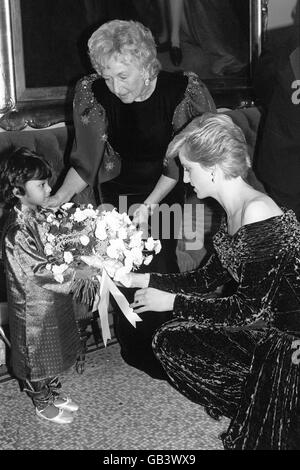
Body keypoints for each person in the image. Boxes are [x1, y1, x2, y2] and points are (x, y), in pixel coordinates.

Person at [119, 113, 300, 450]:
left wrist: (170, 302)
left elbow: (247, 311)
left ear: (213, 168)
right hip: (269, 334)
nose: (186, 179)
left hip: (289, 343)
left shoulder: (257, 211)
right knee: (169, 341)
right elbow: (205, 278)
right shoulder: (232, 210)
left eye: (189, 169)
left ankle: (266, 405)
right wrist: (136, 277)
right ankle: (254, 404)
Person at [46, 19, 216, 377]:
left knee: (159, 268)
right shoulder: (95, 94)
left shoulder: (181, 91)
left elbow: (187, 159)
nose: (114, 86)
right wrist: (58, 196)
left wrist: (151, 203)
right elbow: (86, 160)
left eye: (122, 75)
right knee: (121, 270)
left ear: (146, 64)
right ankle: (136, 349)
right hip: (116, 194)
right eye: (107, 76)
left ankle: (168, 348)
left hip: (165, 190)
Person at [0, 147, 83, 424]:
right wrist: (76, 274)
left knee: (54, 346)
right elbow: (37, 269)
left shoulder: (35, 214)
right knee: (36, 354)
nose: (48, 189)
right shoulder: (16, 229)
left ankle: (51, 389)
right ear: (17, 191)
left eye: (47, 182)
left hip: (50, 299)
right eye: (41, 184)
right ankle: (41, 400)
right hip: (32, 307)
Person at [254, 12, 300, 221]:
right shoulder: (281, 42)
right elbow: (263, 89)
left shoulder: (281, 40)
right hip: (284, 165)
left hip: (283, 162)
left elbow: (263, 90)